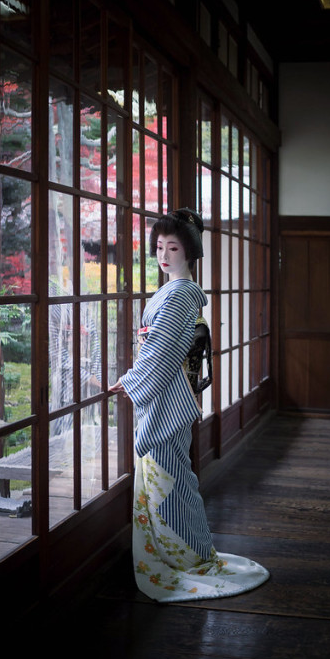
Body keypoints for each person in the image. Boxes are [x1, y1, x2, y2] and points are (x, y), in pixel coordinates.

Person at [109, 208, 269, 602]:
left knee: (172, 481)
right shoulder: (174, 290)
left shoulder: (181, 293)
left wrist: (131, 380)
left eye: (173, 247)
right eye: (159, 246)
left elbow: (163, 351)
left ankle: (187, 558)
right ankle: (185, 552)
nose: (164, 255)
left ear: (190, 251)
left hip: (166, 395)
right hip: (165, 392)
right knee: (170, 480)